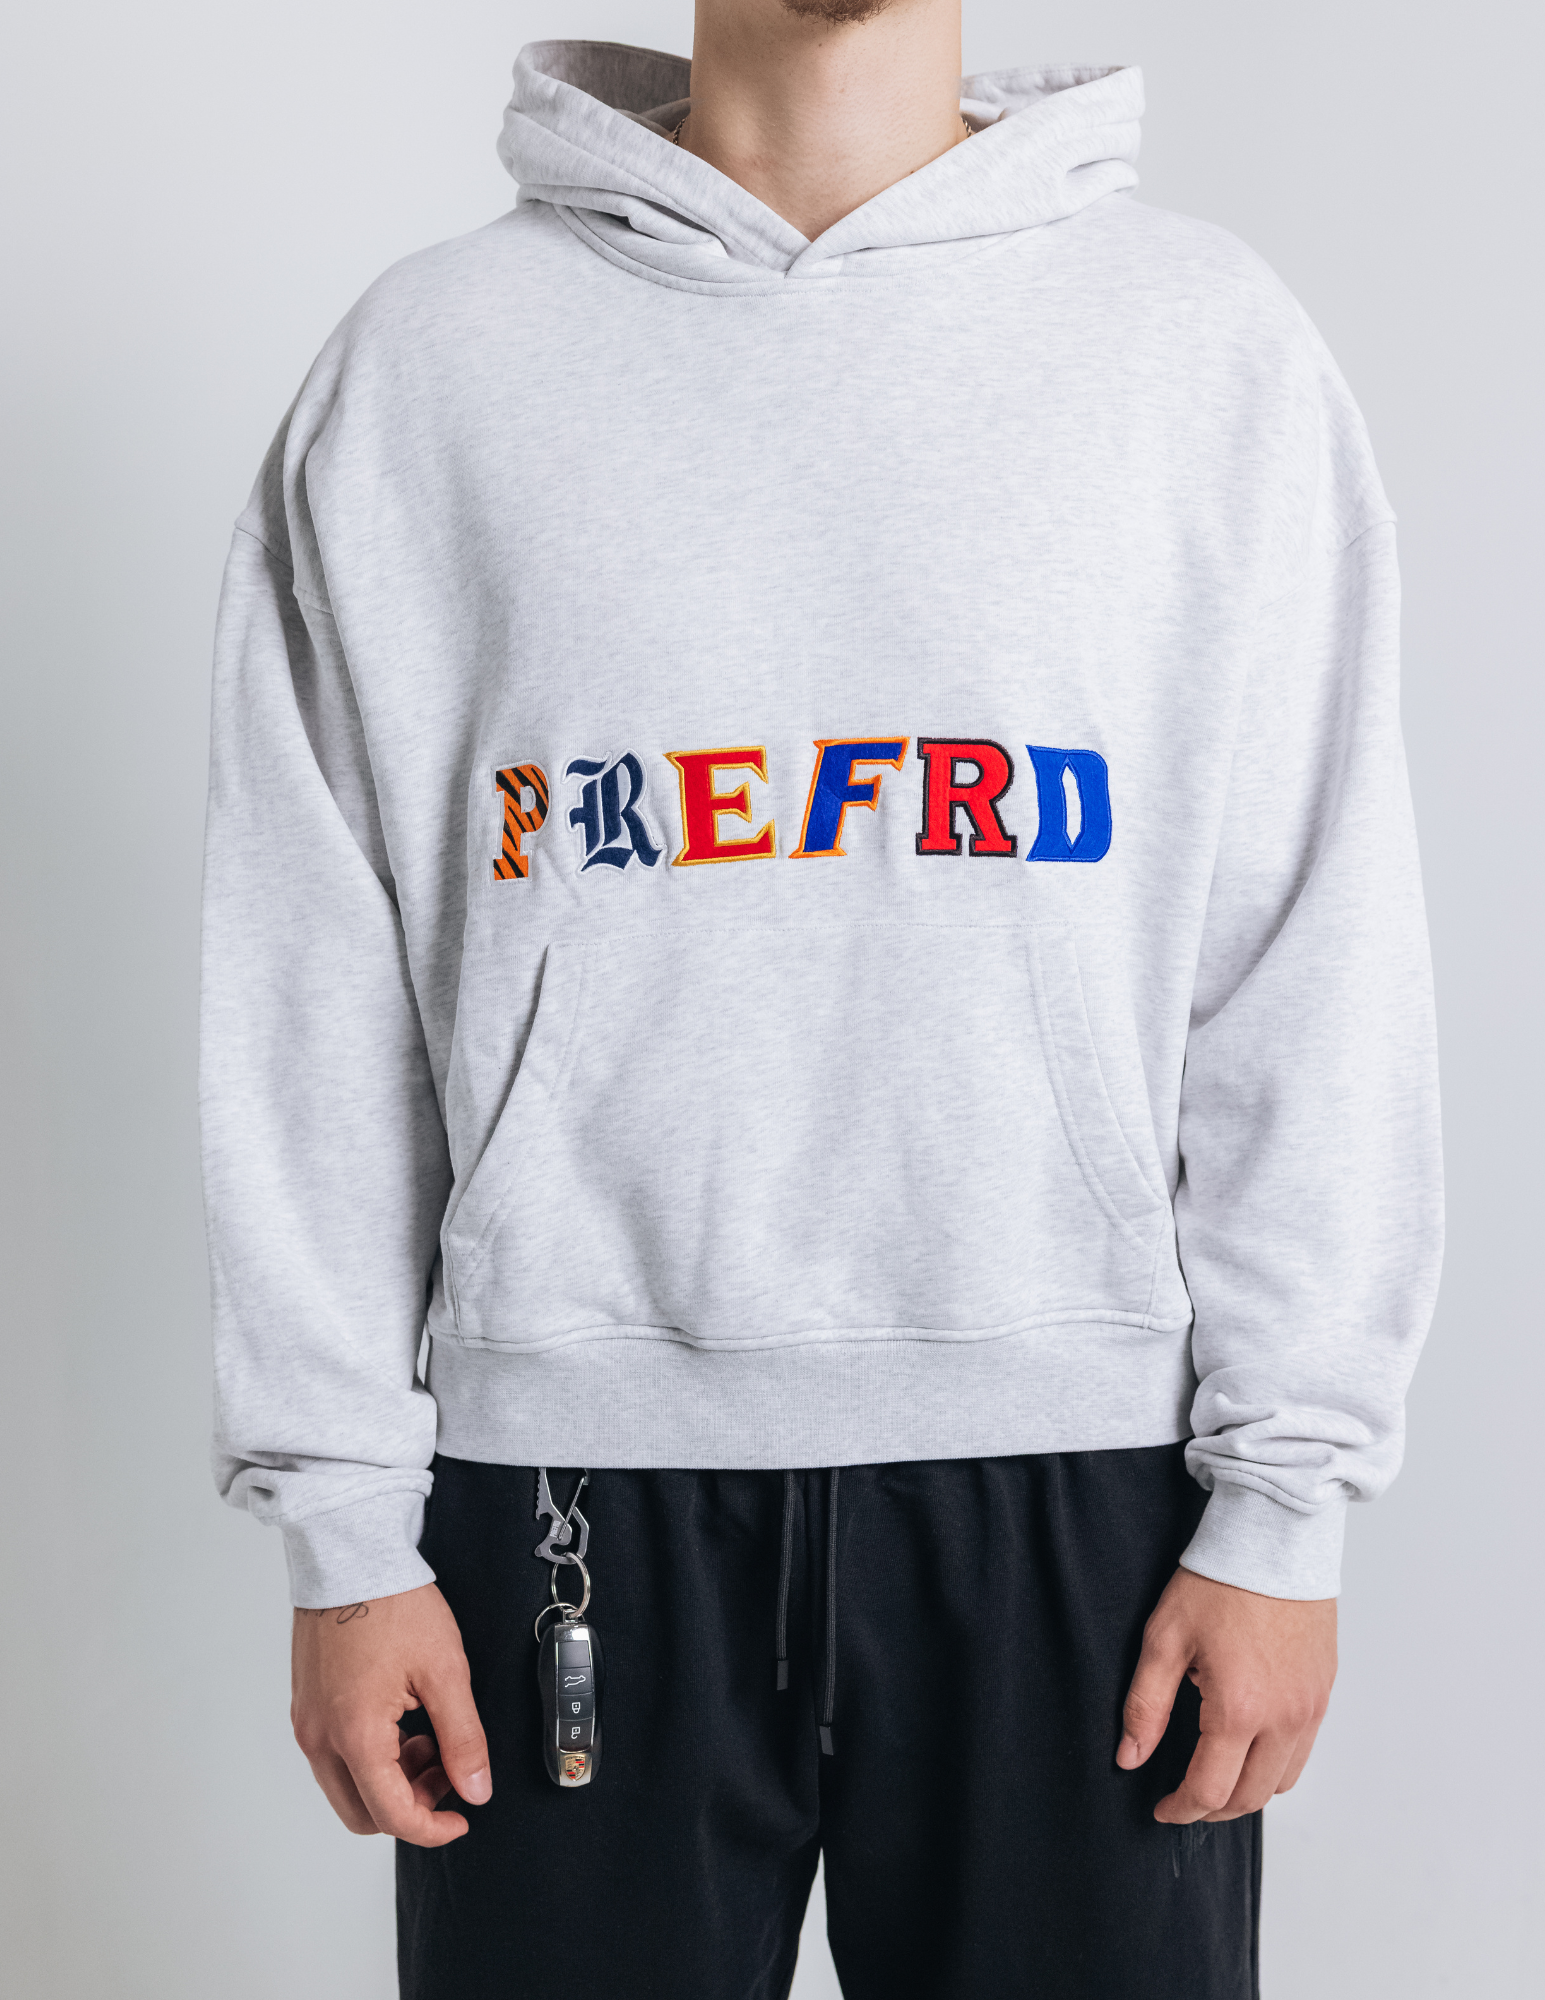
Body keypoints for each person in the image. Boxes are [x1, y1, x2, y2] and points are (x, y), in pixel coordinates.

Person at [201, 4, 1442, 1995]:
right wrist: (345, 1523)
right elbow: (312, 982)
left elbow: (1307, 945)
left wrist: (1287, 1504)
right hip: (566, 1484)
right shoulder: (427, 368)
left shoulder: (1203, 350)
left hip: (1090, 1497)